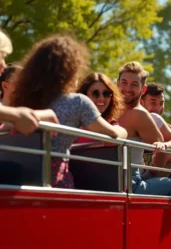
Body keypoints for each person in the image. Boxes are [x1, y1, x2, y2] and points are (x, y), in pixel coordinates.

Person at [9, 34, 127, 188]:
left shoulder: (22, 101)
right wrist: (121, 130)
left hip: (20, 181)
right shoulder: (77, 102)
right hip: (55, 183)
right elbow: (113, 134)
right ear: (70, 70)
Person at [117, 62, 171, 196]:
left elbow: (162, 145)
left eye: (134, 84)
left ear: (143, 89)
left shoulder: (140, 114)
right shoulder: (108, 108)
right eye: (124, 82)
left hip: (128, 181)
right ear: (117, 83)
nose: (128, 88)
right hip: (116, 180)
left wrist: (153, 173)